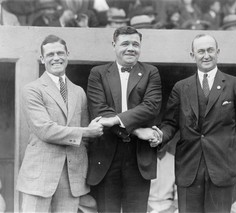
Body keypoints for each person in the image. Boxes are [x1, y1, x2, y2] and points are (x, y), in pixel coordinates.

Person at [151, 33, 236, 213]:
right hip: (189, 170)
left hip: (223, 171)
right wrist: (160, 136)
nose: (206, 55)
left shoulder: (234, 84)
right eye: (201, 51)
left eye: (210, 50)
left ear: (218, 52)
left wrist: (228, 154)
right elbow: (170, 123)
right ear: (192, 55)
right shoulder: (181, 87)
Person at [16, 34, 104, 213]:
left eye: (60, 53)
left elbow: (85, 139)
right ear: (42, 59)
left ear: (67, 54)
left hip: (71, 178)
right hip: (39, 176)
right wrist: (87, 132)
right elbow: (45, 130)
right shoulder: (32, 90)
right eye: (50, 55)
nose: (56, 58)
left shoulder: (78, 92)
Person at [86, 26, 162, 213]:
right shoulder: (98, 73)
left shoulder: (151, 72)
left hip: (138, 157)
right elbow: (99, 110)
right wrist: (136, 130)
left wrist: (115, 120)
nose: (131, 48)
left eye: (135, 44)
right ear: (114, 45)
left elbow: (151, 107)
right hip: (106, 155)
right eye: (125, 43)